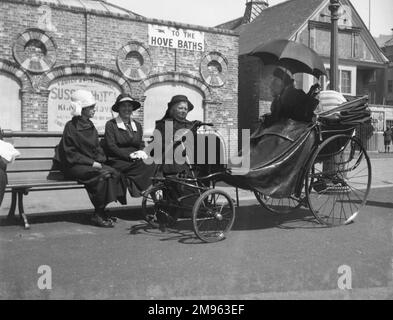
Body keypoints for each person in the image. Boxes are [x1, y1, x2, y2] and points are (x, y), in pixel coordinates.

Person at [58, 90, 127, 228]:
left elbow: (96, 148)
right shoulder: (70, 127)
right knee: (102, 175)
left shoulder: (90, 126)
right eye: (91, 107)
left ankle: (101, 209)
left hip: (90, 164)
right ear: (81, 109)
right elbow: (70, 153)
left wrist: (101, 160)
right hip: (74, 166)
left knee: (114, 173)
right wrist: (92, 163)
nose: (93, 110)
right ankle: (98, 214)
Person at [103, 93, 156, 197]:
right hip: (118, 159)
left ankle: (151, 191)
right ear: (118, 108)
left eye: (129, 106)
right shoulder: (111, 125)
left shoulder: (137, 125)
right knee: (145, 165)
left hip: (135, 158)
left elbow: (140, 143)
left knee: (153, 162)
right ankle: (147, 189)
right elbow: (111, 146)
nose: (127, 109)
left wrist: (141, 152)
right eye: (123, 106)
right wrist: (128, 156)